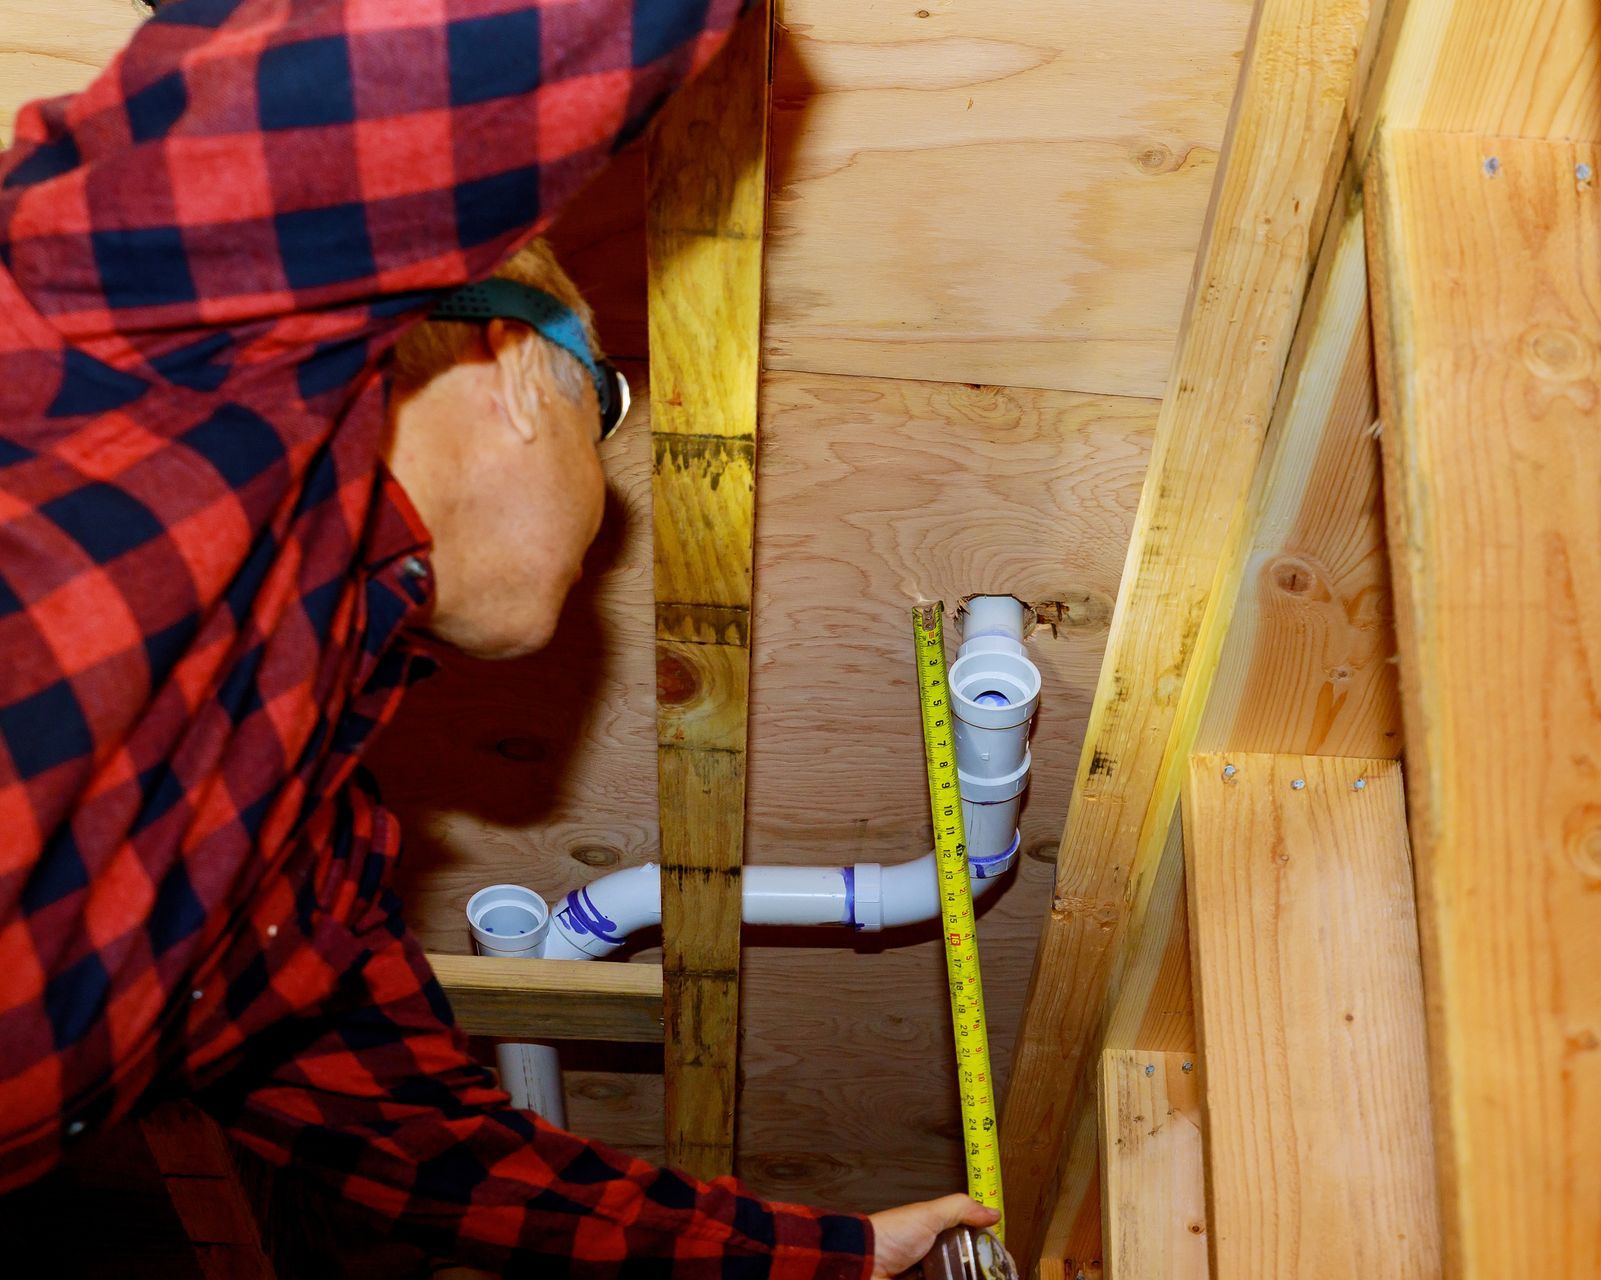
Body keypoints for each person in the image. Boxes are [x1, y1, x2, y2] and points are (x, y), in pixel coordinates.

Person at [0, 0, 996, 1274]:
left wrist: (838, 1254)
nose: (609, 504)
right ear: (522, 366)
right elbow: (453, 52)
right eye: (612, 409)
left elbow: (434, 1150)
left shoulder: (286, 852)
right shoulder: (145, 368)